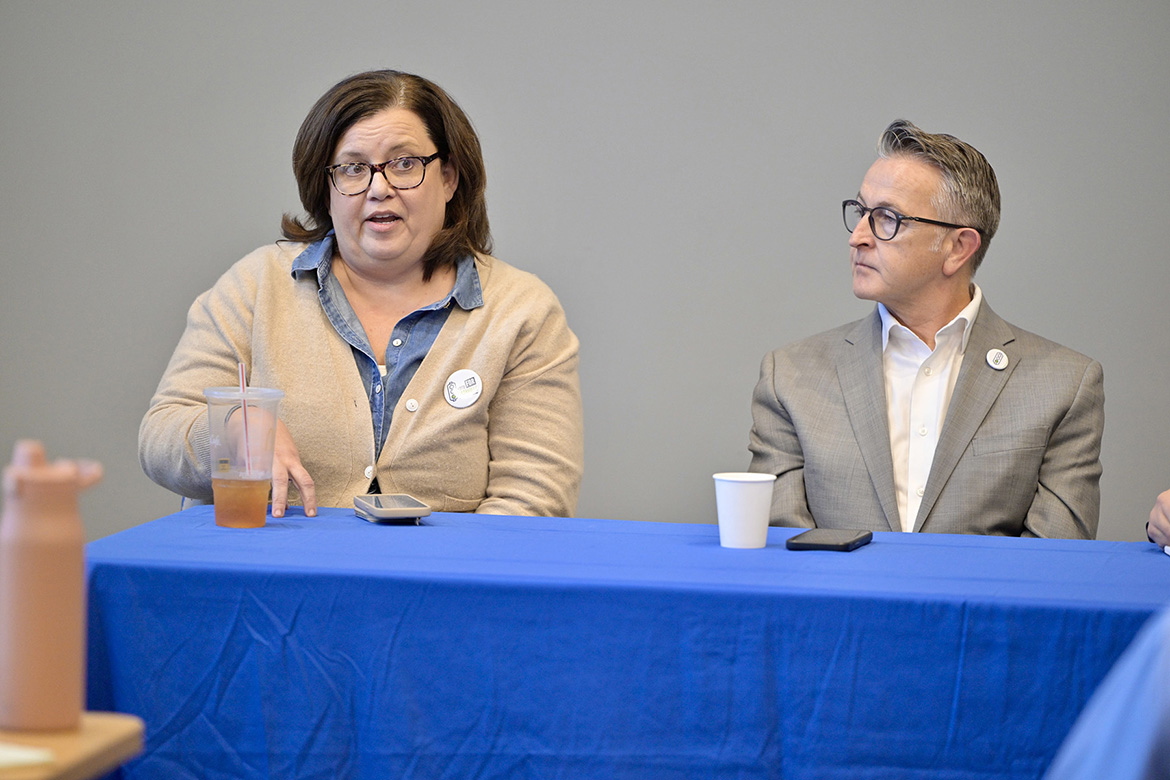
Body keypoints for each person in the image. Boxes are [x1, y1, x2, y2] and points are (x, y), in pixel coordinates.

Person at [140, 70, 583, 518]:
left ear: (449, 177)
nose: (378, 188)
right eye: (353, 168)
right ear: (326, 188)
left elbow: (533, 499)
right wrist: (232, 431)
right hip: (271, 580)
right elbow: (161, 434)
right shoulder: (256, 285)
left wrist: (439, 582)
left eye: (405, 163)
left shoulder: (522, 309)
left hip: (440, 582)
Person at [748, 120, 1103, 537]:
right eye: (861, 212)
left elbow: (1054, 566)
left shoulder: (1063, 385)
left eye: (887, 218)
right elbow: (783, 553)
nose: (858, 237)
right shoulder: (789, 377)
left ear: (958, 247)